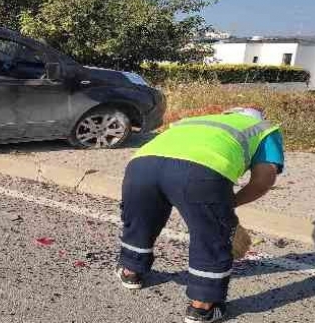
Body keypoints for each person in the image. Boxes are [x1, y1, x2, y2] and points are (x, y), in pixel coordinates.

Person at [115, 107, 284, 323]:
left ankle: (130, 271)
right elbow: (263, 180)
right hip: (200, 173)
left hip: (140, 167)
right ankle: (203, 307)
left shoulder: (195, 120)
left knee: (141, 222)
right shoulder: (264, 129)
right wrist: (229, 203)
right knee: (211, 237)